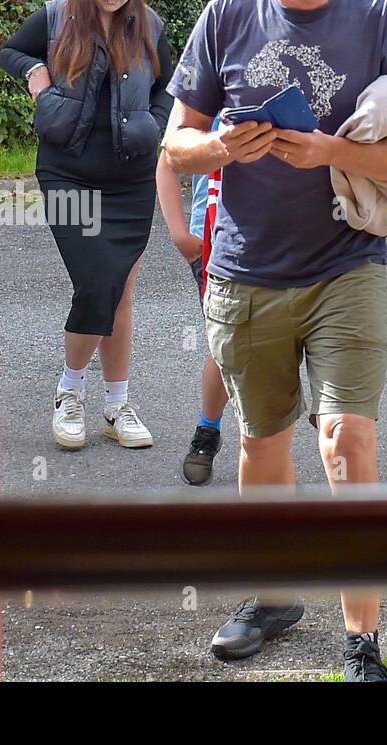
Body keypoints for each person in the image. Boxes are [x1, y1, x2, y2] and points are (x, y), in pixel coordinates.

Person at [162, 0, 387, 681]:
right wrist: (221, 148)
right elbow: (176, 142)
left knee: (346, 439)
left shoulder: (385, 16)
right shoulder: (226, 15)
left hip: (346, 267)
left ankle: (362, 641)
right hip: (244, 270)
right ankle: (274, 598)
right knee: (262, 441)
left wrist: (331, 150)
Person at [0, 0, 172, 450]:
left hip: (131, 178)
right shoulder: (57, 16)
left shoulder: (151, 25)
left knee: (121, 292)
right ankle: (69, 392)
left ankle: (117, 405)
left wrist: (154, 123)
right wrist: (37, 77)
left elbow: (169, 88)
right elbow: (7, 50)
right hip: (67, 172)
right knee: (97, 283)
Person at [155, 121, 230, 486]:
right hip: (212, 245)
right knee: (226, 345)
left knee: (272, 347)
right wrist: (180, 236)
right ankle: (207, 432)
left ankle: (263, 447)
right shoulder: (209, 90)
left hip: (282, 240)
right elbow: (167, 161)